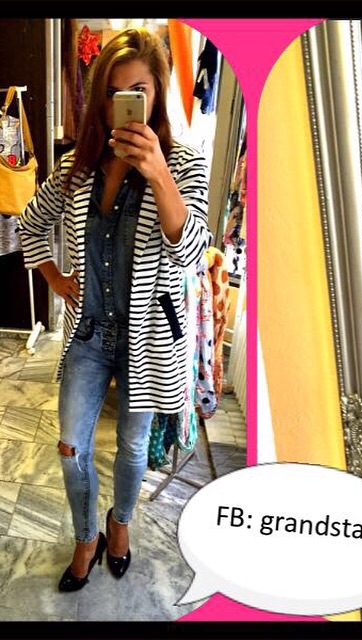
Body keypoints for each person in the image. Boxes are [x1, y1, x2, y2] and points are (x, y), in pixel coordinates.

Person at [19, 28, 212, 592]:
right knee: (70, 447)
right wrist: (56, 278)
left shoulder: (185, 165)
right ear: (100, 98)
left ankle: (119, 524)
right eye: (112, 92)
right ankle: (87, 536)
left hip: (150, 338)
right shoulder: (77, 168)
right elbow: (29, 225)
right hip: (89, 333)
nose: (123, 102)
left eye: (138, 90)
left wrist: (158, 173)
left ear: (156, 94)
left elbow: (192, 253)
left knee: (131, 448)